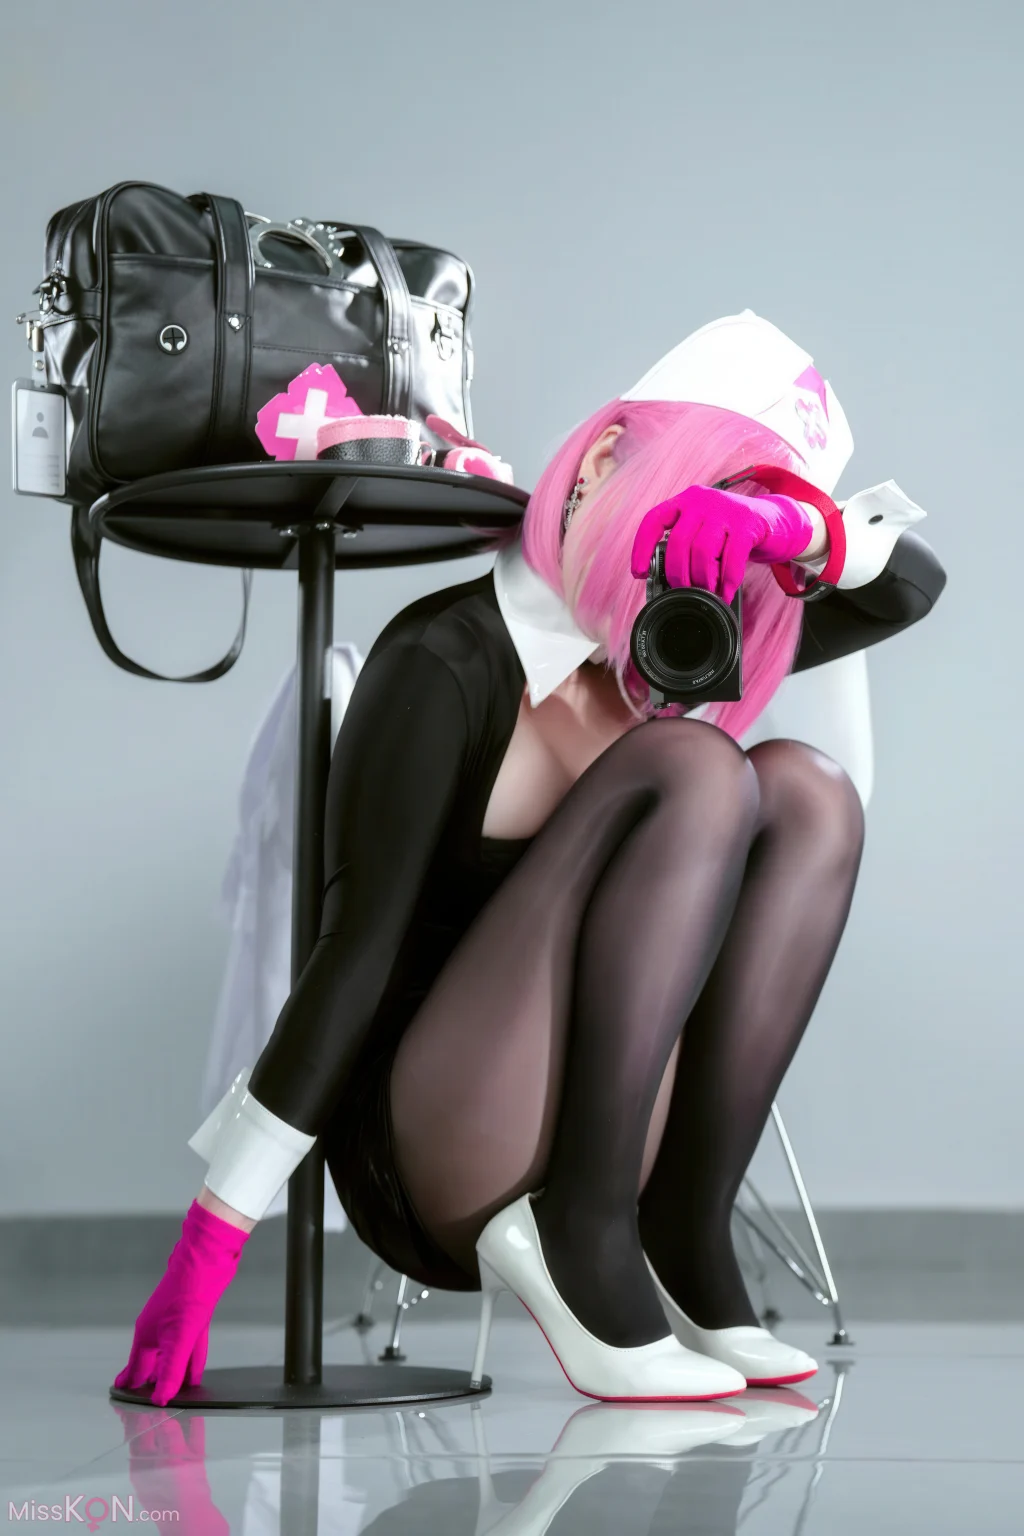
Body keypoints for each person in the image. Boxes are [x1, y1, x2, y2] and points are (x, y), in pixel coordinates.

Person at [116, 311, 946, 1407]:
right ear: (602, 462)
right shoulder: (444, 659)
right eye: (686, 506)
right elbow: (352, 953)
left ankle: (682, 1228)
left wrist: (783, 527)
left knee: (808, 791)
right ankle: (578, 1232)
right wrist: (209, 1242)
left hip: (608, 1133)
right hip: (437, 1148)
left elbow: (910, 584)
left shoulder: (680, 648)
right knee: (696, 767)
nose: (692, 560)